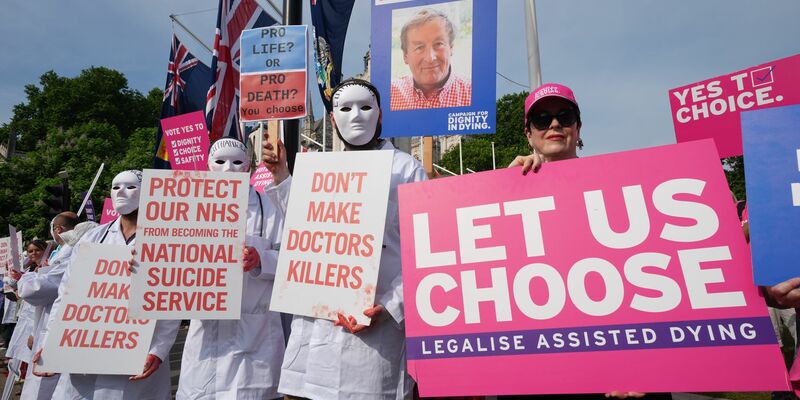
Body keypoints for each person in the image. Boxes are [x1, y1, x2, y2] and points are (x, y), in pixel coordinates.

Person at [507, 83, 670, 400]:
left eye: (564, 116)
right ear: (529, 133)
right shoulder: (509, 188)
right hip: (539, 365)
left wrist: (643, 365)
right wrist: (501, 191)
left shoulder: (619, 187)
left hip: (611, 364)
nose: (554, 125)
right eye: (542, 119)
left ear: (577, 128)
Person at [275, 78, 427, 399]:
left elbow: (425, 250)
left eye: (365, 107)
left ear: (381, 115)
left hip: (375, 339)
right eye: (345, 108)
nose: (356, 116)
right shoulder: (318, 172)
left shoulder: (406, 170)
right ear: (332, 119)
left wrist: (390, 306)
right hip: (315, 334)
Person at [33, 170, 180, 400]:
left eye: (131, 187)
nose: (122, 192)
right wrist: (53, 341)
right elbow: (67, 294)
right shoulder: (93, 238)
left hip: (137, 352)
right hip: (87, 354)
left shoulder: (166, 241)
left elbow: (172, 300)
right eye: (116, 186)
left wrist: (158, 349)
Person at [176, 137, 291, 399]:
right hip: (206, 337)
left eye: (237, 161)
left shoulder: (269, 207)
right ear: (207, 166)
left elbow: (295, 258)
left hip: (255, 341)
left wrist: (262, 259)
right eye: (220, 161)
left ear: (249, 167)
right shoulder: (186, 207)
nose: (228, 169)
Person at [18, 212, 84, 400]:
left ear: (58, 230)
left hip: (57, 324)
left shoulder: (71, 251)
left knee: (50, 386)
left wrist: (27, 277)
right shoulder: (61, 251)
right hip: (47, 321)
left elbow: (36, 289)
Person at [390, 8, 471, 111]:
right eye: (419, 47)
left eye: (438, 44)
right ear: (405, 56)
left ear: (451, 48)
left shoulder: (473, 92)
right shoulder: (390, 94)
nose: (430, 58)